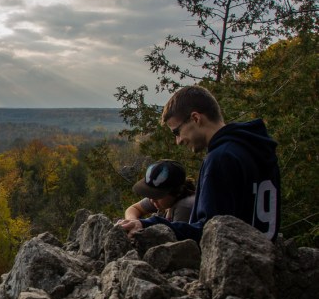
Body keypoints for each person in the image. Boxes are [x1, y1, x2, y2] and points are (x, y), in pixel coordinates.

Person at [117, 85, 280, 242]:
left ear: (196, 118)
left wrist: (147, 224)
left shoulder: (220, 159)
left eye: (177, 132)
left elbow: (209, 233)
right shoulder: (254, 148)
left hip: (235, 263)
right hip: (262, 255)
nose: (178, 141)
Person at [124, 159, 195, 223]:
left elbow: (177, 235)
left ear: (177, 192)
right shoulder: (165, 200)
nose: (152, 200)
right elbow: (133, 208)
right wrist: (133, 221)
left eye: (157, 195)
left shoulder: (184, 207)